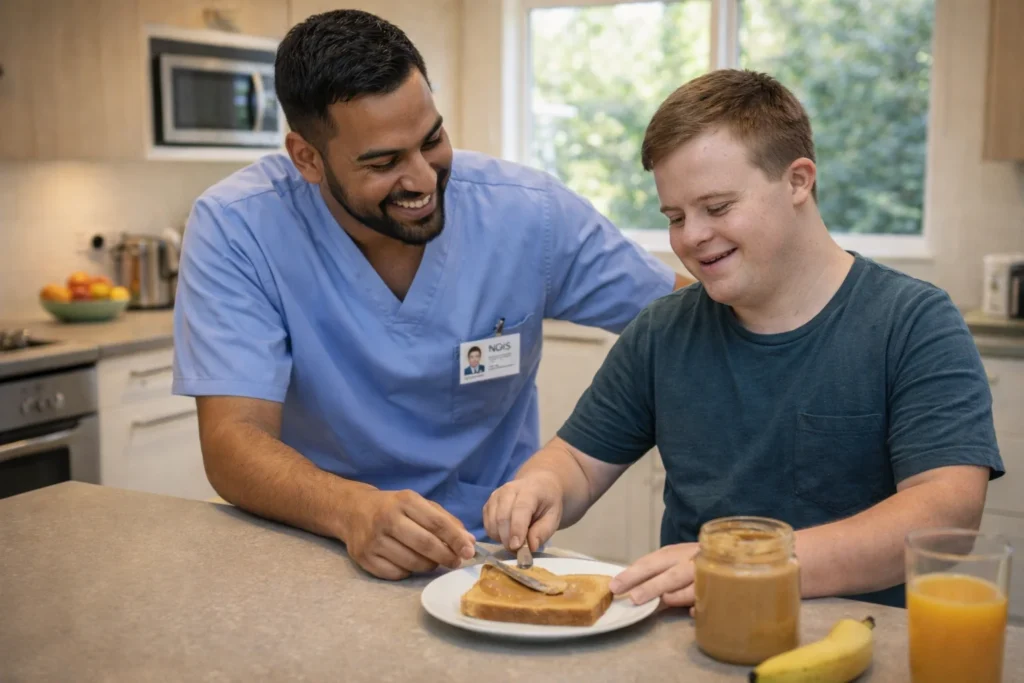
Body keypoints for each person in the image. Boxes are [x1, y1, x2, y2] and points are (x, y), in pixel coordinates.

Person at [171, 9, 689, 582]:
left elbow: (693, 318)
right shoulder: (237, 227)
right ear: (308, 158)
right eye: (384, 161)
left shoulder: (528, 215)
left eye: (432, 140)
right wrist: (351, 510)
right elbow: (232, 440)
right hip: (315, 543)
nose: (422, 179)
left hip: (484, 553)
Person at [483, 69, 1004, 608]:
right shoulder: (663, 331)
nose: (691, 237)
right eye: (675, 216)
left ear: (798, 181)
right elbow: (577, 462)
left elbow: (946, 514)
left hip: (860, 642)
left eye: (717, 207)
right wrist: (540, 485)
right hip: (693, 641)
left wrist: (746, 566)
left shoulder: (914, 323)